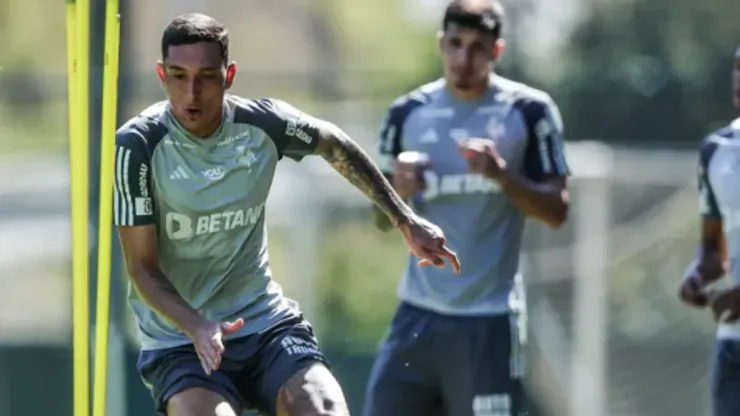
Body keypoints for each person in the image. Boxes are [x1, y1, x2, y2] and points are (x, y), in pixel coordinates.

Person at [113, 13, 460, 416]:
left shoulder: (262, 125)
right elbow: (142, 270)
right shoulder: (138, 146)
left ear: (229, 76)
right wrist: (199, 326)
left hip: (265, 326)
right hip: (181, 342)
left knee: (325, 408)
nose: (192, 93)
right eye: (178, 75)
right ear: (161, 74)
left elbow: (336, 145)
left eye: (207, 76)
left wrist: (405, 219)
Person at [363, 1, 571, 415]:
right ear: (441, 44)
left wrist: (502, 176)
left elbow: (556, 212)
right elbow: (379, 221)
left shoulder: (530, 112)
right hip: (416, 317)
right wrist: (398, 189)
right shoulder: (407, 114)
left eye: (478, 47)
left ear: (497, 51)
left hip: (489, 320)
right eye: (455, 44)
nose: (464, 58)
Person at [678, 46, 740, 416]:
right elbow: (714, 248)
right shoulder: (717, 150)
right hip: (733, 348)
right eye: (737, 67)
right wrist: (698, 274)